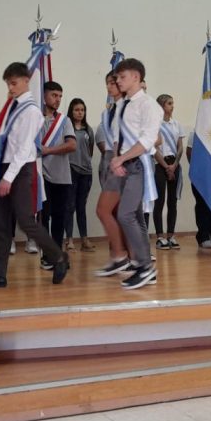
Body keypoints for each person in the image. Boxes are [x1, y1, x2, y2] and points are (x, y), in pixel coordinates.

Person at [0, 63, 69, 289]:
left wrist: (8, 178)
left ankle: (58, 257)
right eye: (8, 84)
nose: (10, 88)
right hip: (4, 167)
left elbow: (24, 148)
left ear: (26, 81)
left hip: (20, 169)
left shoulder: (31, 111)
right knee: (0, 223)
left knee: (25, 220)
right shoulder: (12, 108)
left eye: (14, 83)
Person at [110, 58, 163, 289]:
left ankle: (144, 266)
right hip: (125, 165)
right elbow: (118, 136)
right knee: (137, 217)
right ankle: (143, 266)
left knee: (125, 215)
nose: (118, 81)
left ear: (136, 77)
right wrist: (116, 159)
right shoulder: (123, 104)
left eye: (122, 77)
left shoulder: (149, 105)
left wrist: (122, 158)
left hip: (139, 165)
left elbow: (148, 140)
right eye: (117, 78)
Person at [95, 71, 131, 276]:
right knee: (118, 213)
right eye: (107, 83)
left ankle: (121, 256)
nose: (110, 86)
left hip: (122, 162)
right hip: (112, 160)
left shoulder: (127, 108)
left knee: (106, 210)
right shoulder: (111, 110)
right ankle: (129, 257)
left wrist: (119, 160)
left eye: (113, 82)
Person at [39, 81, 77, 257]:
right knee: (43, 217)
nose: (58, 99)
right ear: (44, 95)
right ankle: (47, 254)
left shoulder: (64, 120)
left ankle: (56, 252)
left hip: (61, 176)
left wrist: (48, 150)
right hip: (41, 175)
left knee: (59, 217)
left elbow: (72, 145)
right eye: (54, 95)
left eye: (60, 96)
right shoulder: (35, 118)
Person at [153, 94, 185, 250]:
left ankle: (171, 235)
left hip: (174, 164)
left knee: (173, 201)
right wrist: (166, 166)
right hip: (160, 164)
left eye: (173, 103)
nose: (172, 106)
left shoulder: (176, 124)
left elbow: (180, 147)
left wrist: (174, 165)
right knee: (159, 201)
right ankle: (160, 237)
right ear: (161, 106)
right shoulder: (155, 125)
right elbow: (154, 148)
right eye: (169, 103)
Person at [65, 98, 96, 252]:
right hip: (71, 170)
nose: (80, 113)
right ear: (71, 111)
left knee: (81, 206)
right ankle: (69, 240)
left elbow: (90, 150)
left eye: (82, 110)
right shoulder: (67, 129)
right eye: (77, 110)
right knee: (69, 206)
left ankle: (84, 239)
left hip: (86, 172)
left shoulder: (88, 130)